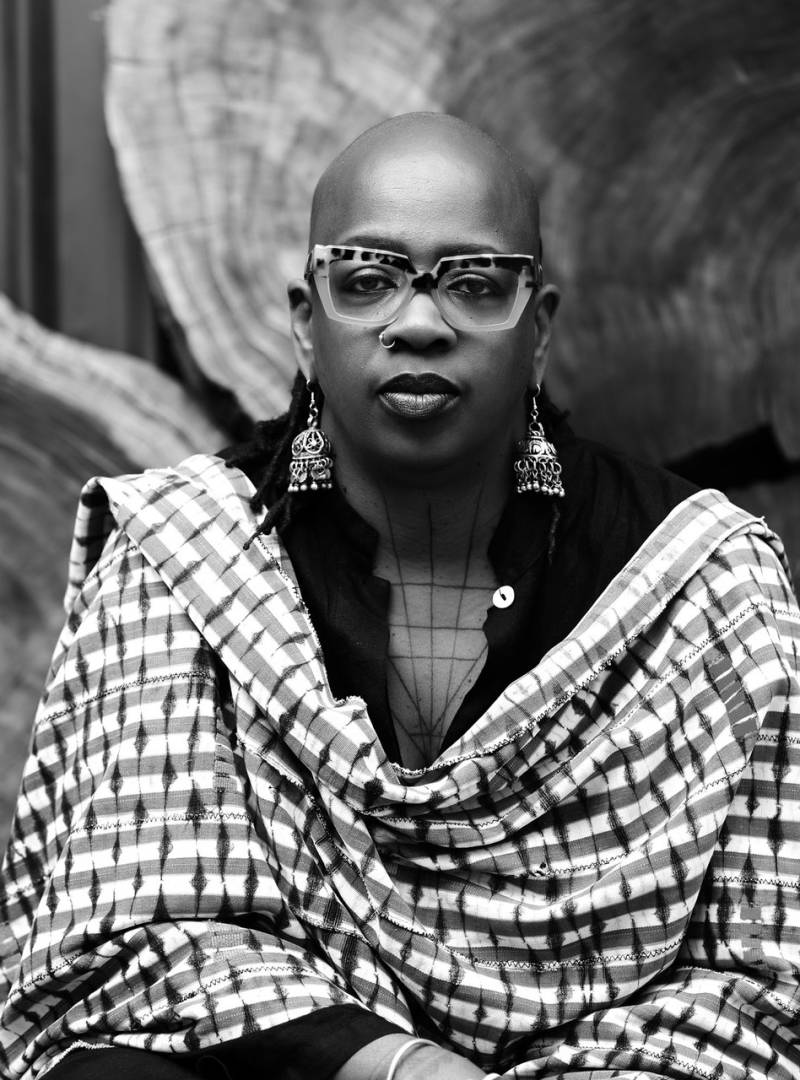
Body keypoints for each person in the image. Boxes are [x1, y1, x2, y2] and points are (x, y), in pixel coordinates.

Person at [1, 112, 799, 1080]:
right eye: (368, 279)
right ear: (307, 321)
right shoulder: (182, 558)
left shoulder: (700, 581)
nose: (418, 322)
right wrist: (392, 1067)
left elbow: (762, 979)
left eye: (472, 283)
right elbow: (126, 944)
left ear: (537, 328)